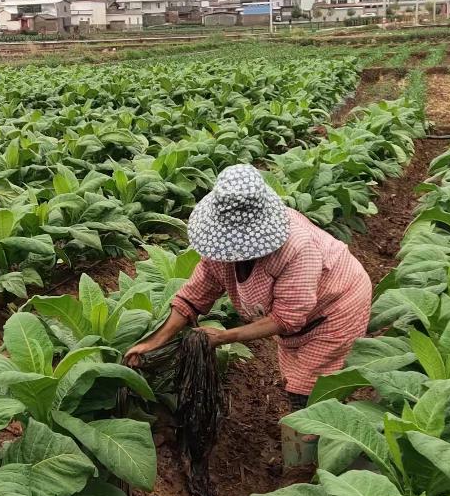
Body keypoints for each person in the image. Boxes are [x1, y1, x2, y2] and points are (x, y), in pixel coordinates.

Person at [125, 164, 372, 410]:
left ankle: (311, 441)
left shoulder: (297, 248)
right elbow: (194, 296)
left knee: (309, 396)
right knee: (295, 381)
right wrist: (153, 341)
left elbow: (288, 318)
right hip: (298, 318)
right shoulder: (218, 246)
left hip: (337, 307)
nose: (232, 249)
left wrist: (222, 337)